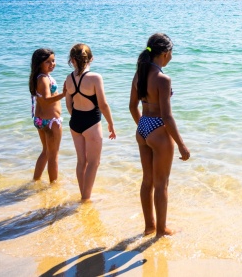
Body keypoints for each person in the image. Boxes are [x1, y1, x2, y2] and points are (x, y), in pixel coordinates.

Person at [129, 33, 190, 237]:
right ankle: (161, 230)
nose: (172, 56)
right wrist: (181, 145)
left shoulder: (139, 74)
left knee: (147, 181)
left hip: (143, 127)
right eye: (171, 52)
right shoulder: (163, 78)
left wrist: (144, 128)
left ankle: (149, 226)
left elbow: (132, 106)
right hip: (157, 128)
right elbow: (167, 116)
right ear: (165, 53)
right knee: (161, 183)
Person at [64, 44, 116, 202]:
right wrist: (111, 124)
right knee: (94, 162)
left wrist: (76, 117)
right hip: (91, 122)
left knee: (81, 161)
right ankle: (85, 198)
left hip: (75, 122)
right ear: (91, 59)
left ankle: (83, 194)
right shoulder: (95, 78)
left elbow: (68, 103)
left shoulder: (69, 78)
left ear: (72, 60)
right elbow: (103, 104)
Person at [29, 48, 66, 183]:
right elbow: (46, 99)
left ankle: (36, 180)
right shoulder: (44, 79)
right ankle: (53, 186)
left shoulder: (38, 77)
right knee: (53, 155)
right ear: (39, 63)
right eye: (48, 62)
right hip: (51, 121)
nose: (52, 64)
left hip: (40, 120)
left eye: (53, 61)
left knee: (46, 152)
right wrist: (63, 94)